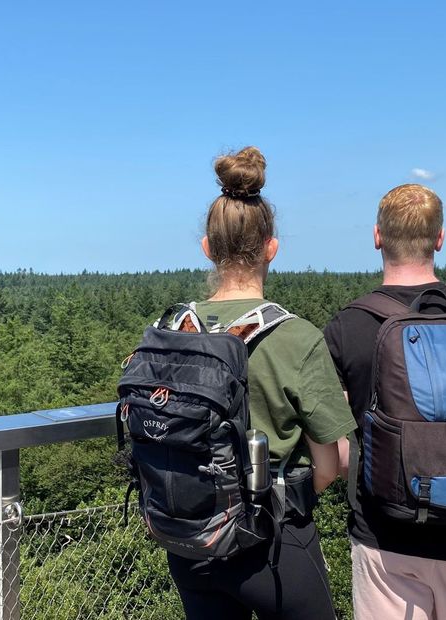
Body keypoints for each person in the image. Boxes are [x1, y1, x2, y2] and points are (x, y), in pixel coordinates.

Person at [164, 146, 356, 620]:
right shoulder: (296, 338)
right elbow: (332, 465)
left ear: (207, 247)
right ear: (272, 247)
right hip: (271, 542)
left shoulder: (172, 329)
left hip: (190, 540)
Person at [323, 184, 446, 620]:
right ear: (439, 239)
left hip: (384, 534)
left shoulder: (349, 325)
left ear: (377, 236)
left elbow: (336, 446)